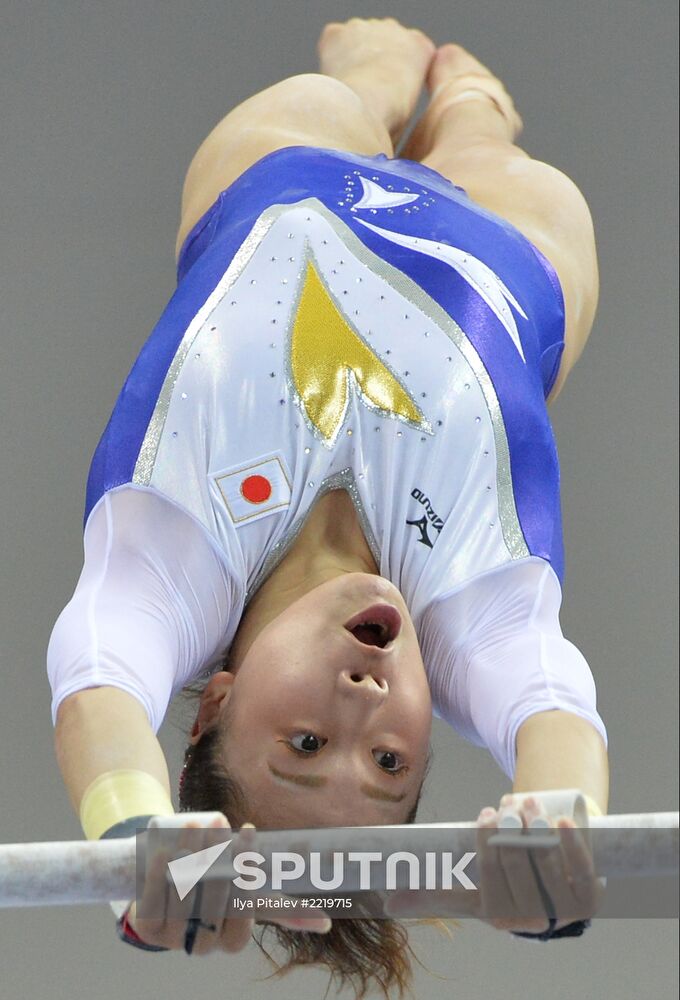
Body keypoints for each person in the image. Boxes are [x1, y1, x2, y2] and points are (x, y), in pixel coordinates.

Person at [47, 17, 609, 999]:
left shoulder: (170, 557)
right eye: (391, 760)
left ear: (211, 706)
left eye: (303, 746)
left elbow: (96, 688)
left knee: (374, 70)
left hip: (281, 172)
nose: (360, 703)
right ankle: (474, 115)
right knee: (479, 125)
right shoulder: (472, 611)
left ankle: (383, 81)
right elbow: (554, 710)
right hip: (514, 250)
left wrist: (138, 838)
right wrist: (557, 818)